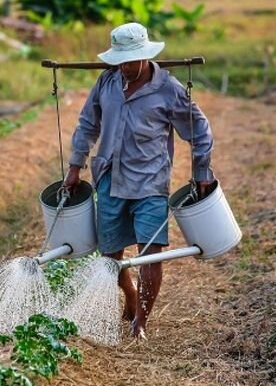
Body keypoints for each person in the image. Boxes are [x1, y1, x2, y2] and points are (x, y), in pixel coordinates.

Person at [63, 22, 216, 339]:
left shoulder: (169, 90)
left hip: (150, 183)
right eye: (121, 61)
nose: (126, 67)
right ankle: (130, 295)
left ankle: (140, 323)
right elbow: (87, 124)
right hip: (109, 178)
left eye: (132, 61)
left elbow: (200, 131)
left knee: (151, 253)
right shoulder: (106, 82)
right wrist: (75, 165)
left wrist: (201, 171)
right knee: (110, 257)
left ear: (146, 56)